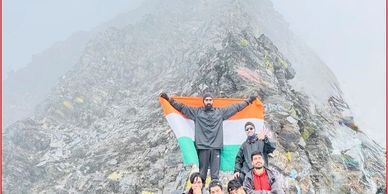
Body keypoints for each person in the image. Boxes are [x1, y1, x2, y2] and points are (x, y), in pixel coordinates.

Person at [160, 92, 256, 180]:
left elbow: (236, 108)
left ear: (213, 101)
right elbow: (182, 107)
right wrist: (169, 99)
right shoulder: (197, 112)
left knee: (215, 175)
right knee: (202, 174)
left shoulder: (220, 112)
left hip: (216, 147)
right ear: (204, 101)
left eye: (210, 100)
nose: (208, 101)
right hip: (203, 147)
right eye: (206, 100)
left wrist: (248, 101)